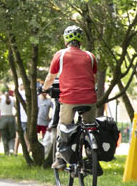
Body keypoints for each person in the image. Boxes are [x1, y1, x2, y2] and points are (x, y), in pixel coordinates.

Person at [42, 25, 98, 170]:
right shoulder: (90, 56)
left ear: (66, 40)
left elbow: (50, 77)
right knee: (90, 127)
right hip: (90, 99)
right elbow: (94, 78)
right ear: (81, 41)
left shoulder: (60, 55)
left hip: (69, 99)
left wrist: (44, 88)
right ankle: (92, 157)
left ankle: (60, 159)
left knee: (64, 125)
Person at [0, 88, 16, 154]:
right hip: (11, 117)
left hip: (3, 118)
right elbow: (16, 108)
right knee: (12, 136)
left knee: (4, 136)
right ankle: (11, 149)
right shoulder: (12, 99)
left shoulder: (0, 98)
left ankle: (6, 152)